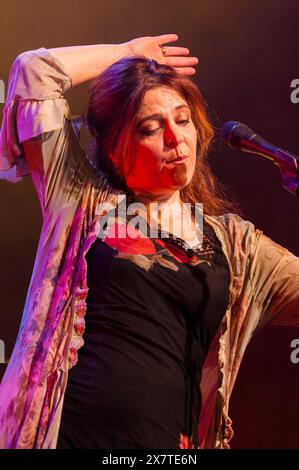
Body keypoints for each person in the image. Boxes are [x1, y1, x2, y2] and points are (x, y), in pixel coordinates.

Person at [0, 33, 298, 450]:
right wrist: (125, 55)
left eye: (183, 120)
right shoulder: (80, 202)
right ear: (115, 150)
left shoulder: (236, 246)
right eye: (151, 128)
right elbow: (34, 73)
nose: (176, 139)